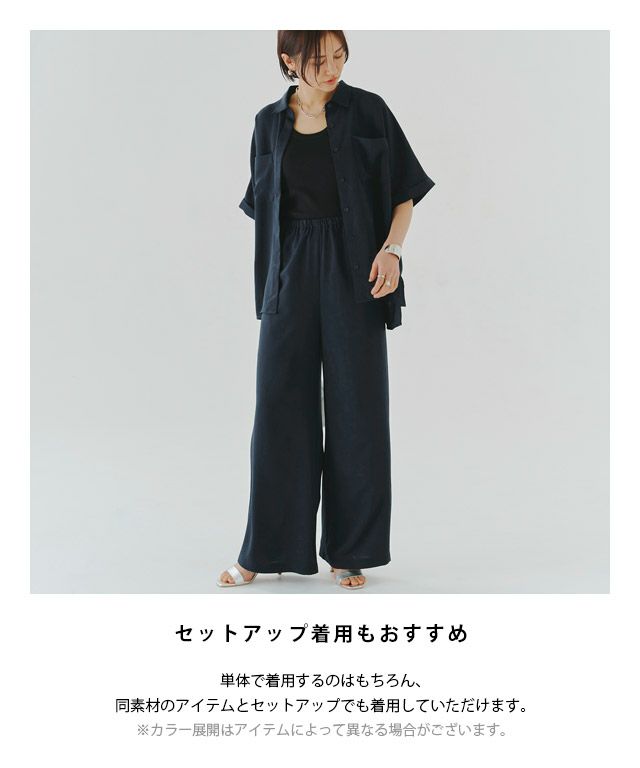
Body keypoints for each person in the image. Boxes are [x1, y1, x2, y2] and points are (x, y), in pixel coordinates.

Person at [217, 30, 435, 590]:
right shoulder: (267, 124)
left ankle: (349, 550)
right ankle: (264, 550)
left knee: (357, 409)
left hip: (355, 268)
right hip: (288, 271)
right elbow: (264, 206)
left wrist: (392, 250)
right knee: (278, 411)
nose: (332, 68)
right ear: (288, 61)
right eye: (318, 60)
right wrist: (282, 270)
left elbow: (404, 190)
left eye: (339, 56)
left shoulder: (369, 111)